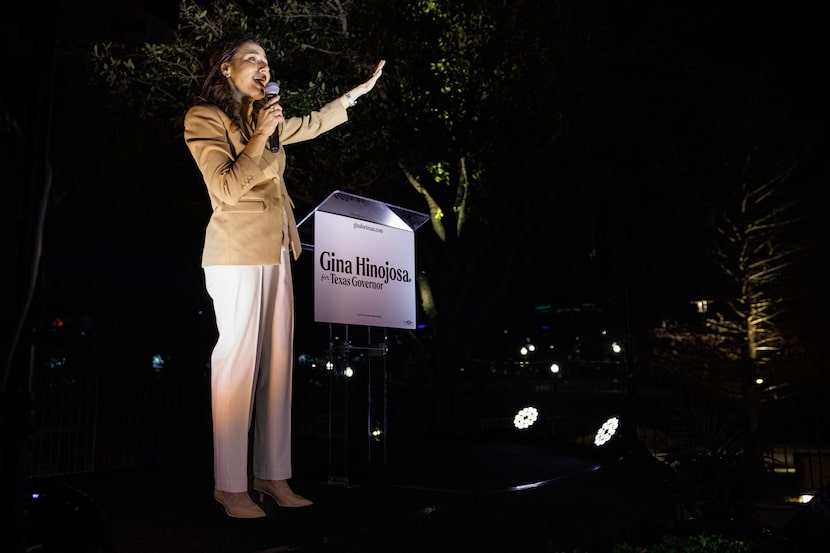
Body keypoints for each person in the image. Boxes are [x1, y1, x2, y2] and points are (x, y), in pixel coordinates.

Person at [183, 35, 385, 519]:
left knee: (276, 369)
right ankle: (230, 485)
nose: (261, 67)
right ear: (226, 70)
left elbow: (314, 123)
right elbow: (226, 188)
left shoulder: (266, 121)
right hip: (236, 252)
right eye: (250, 59)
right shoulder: (204, 118)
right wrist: (259, 136)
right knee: (237, 365)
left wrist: (355, 94)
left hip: (277, 249)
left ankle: (271, 475)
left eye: (266, 61)